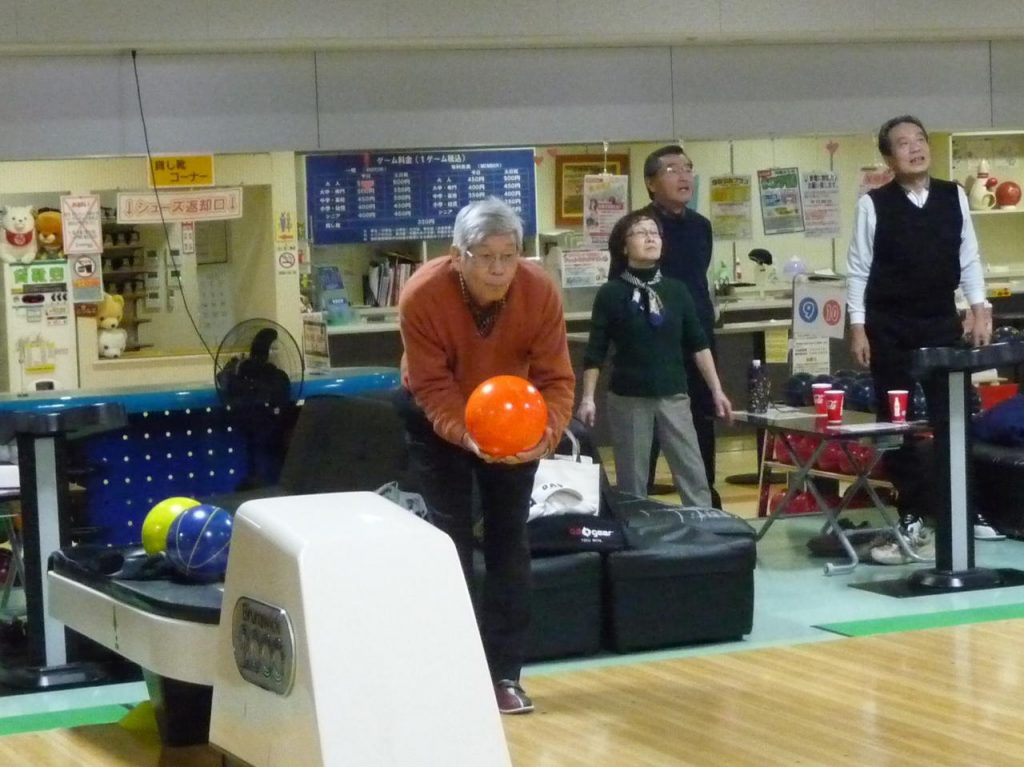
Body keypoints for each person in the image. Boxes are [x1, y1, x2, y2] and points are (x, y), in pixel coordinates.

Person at [396, 197, 575, 714]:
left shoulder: (539, 291)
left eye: (509, 256)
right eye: (486, 256)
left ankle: (504, 675)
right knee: (450, 538)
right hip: (438, 416)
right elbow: (432, 386)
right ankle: (454, 667)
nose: (499, 269)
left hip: (515, 418)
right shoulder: (422, 295)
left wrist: (546, 434)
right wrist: (467, 435)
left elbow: (556, 379)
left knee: (507, 538)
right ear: (457, 256)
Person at [846, 114, 992, 565]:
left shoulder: (953, 195)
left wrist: (979, 306)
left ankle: (963, 506)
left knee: (955, 415)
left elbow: (968, 256)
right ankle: (911, 513)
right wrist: (858, 326)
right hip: (888, 325)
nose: (915, 148)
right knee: (897, 422)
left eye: (920, 140)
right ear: (889, 158)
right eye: (903, 143)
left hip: (940, 322)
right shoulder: (873, 204)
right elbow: (858, 269)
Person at [577, 210, 732, 505]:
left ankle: (703, 525)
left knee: (693, 473)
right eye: (640, 232)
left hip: (674, 393)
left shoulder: (677, 290)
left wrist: (717, 390)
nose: (650, 238)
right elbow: (596, 350)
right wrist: (587, 398)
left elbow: (698, 344)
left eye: (655, 233)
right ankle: (635, 527)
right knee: (633, 481)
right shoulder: (610, 293)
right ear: (623, 247)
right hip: (629, 397)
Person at [640, 145, 721, 506]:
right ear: (651, 183)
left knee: (702, 417)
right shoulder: (639, 227)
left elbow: (698, 280)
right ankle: (638, 503)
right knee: (650, 425)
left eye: (687, 168)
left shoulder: (701, 226)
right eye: (672, 170)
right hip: (654, 342)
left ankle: (706, 501)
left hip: (698, 338)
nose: (684, 176)